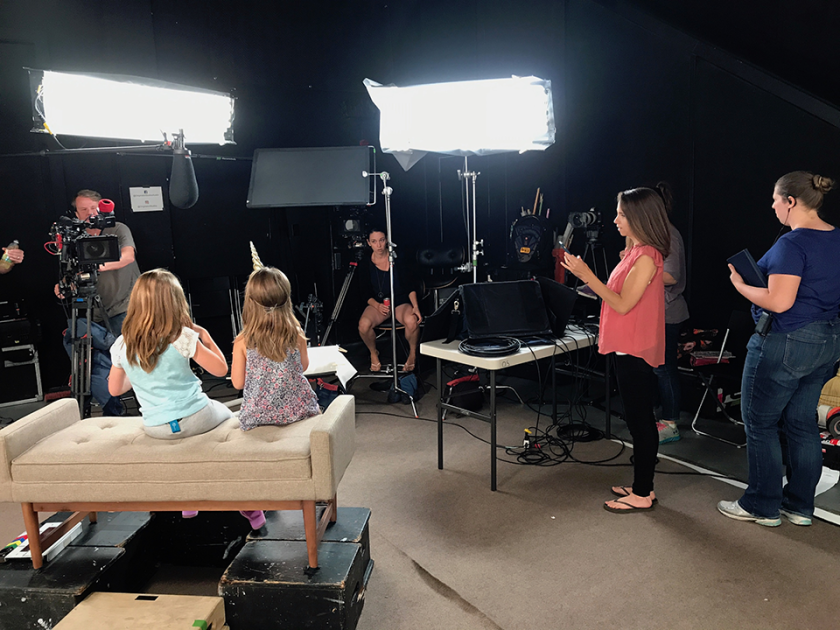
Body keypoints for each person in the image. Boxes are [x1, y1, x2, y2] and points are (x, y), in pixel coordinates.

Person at [717, 171, 840, 527]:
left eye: (775, 199)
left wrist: (739, 284)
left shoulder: (792, 244)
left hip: (786, 340)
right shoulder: (835, 238)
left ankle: (761, 505)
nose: (771, 205)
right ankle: (799, 506)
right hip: (827, 340)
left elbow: (779, 302)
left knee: (760, 423)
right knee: (802, 423)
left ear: (791, 202)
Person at [107, 269, 264, 530]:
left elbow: (115, 389)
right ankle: (251, 508)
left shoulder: (123, 345)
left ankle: (189, 499)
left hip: (156, 427)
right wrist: (204, 335)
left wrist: (140, 374)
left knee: (187, 442)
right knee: (234, 420)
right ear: (175, 301)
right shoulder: (181, 335)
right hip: (197, 416)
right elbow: (220, 370)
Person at [563, 187, 670, 513]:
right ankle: (641, 486)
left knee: (640, 421)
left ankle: (642, 493)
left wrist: (586, 275)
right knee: (637, 419)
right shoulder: (635, 253)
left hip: (634, 348)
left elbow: (623, 304)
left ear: (639, 217)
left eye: (622, 214)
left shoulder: (648, 257)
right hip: (627, 345)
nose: (615, 220)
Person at [57, 190, 141, 416]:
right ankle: (112, 412)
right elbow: (71, 270)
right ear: (76, 212)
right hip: (91, 311)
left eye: (93, 208)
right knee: (93, 364)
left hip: (125, 306)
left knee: (133, 358)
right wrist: (65, 285)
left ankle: (148, 407)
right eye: (83, 210)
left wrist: (97, 265)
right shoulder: (76, 236)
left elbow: (128, 257)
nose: (89, 214)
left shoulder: (118, 229)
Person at [231, 267, 320, 430]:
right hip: (299, 412)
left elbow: (238, 383)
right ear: (286, 299)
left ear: (250, 302)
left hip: (258, 417)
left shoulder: (242, 341)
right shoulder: (296, 333)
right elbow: (304, 366)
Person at [653, 183, 690, 443]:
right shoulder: (652, 233)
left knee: (665, 369)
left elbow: (670, 275)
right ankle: (663, 415)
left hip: (668, 313)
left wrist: (639, 269)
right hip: (653, 313)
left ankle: (670, 422)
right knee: (657, 368)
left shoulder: (669, 234)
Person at [357, 227, 423, 373]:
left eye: (381, 240)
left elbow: (409, 285)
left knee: (412, 321)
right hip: (379, 303)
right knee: (363, 325)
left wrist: (416, 307)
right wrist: (377, 305)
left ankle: (412, 354)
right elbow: (364, 292)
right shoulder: (365, 264)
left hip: (400, 301)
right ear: (369, 243)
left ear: (386, 240)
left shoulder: (397, 259)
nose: (379, 245)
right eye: (374, 241)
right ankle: (373, 353)